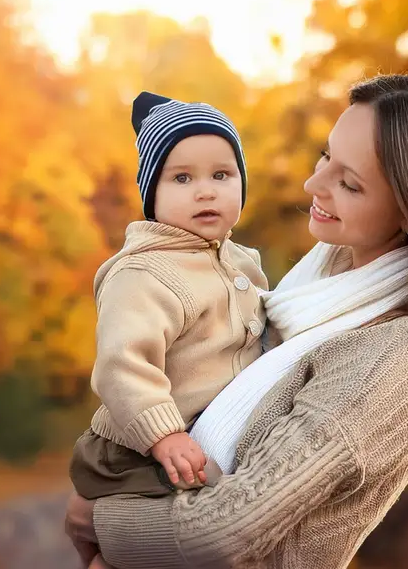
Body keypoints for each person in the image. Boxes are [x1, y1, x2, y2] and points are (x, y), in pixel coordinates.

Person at [65, 73, 408, 569]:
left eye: (349, 183)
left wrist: (96, 518)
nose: (313, 185)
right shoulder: (324, 277)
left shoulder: (398, 359)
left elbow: (224, 531)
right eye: (326, 156)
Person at [68, 91, 268, 507]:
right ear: (151, 196)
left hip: (199, 443)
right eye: (182, 178)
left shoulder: (243, 263)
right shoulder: (143, 273)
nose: (205, 192)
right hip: (138, 451)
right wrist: (164, 434)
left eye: (221, 175)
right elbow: (123, 364)